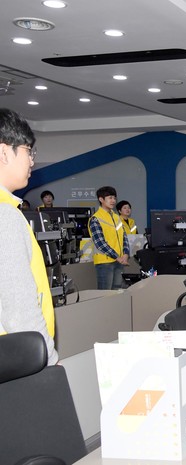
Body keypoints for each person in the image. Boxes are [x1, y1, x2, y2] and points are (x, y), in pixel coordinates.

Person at [0, 108, 58, 364]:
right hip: (15, 362)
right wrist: (48, 360)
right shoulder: (5, 216)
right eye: (28, 151)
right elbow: (19, 309)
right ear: (4, 152)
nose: (32, 161)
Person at [89, 186, 130, 290]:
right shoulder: (96, 219)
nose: (113, 201)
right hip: (105, 262)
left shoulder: (117, 217)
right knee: (105, 293)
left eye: (114, 198)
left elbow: (124, 237)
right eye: (110, 198)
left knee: (117, 292)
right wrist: (117, 257)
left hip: (119, 261)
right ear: (101, 199)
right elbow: (100, 243)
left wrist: (126, 253)